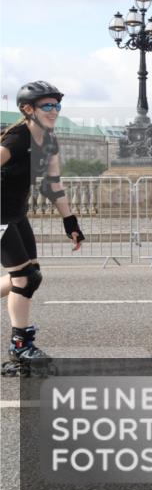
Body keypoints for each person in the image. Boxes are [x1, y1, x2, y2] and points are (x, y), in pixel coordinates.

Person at [1, 81, 85, 376]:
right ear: (28, 109)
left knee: (30, 277)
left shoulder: (48, 140)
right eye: (47, 106)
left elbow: (54, 184)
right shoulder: (15, 141)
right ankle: (20, 345)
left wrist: (69, 222)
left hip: (15, 214)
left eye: (57, 106)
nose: (54, 111)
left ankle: (21, 344)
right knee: (22, 277)